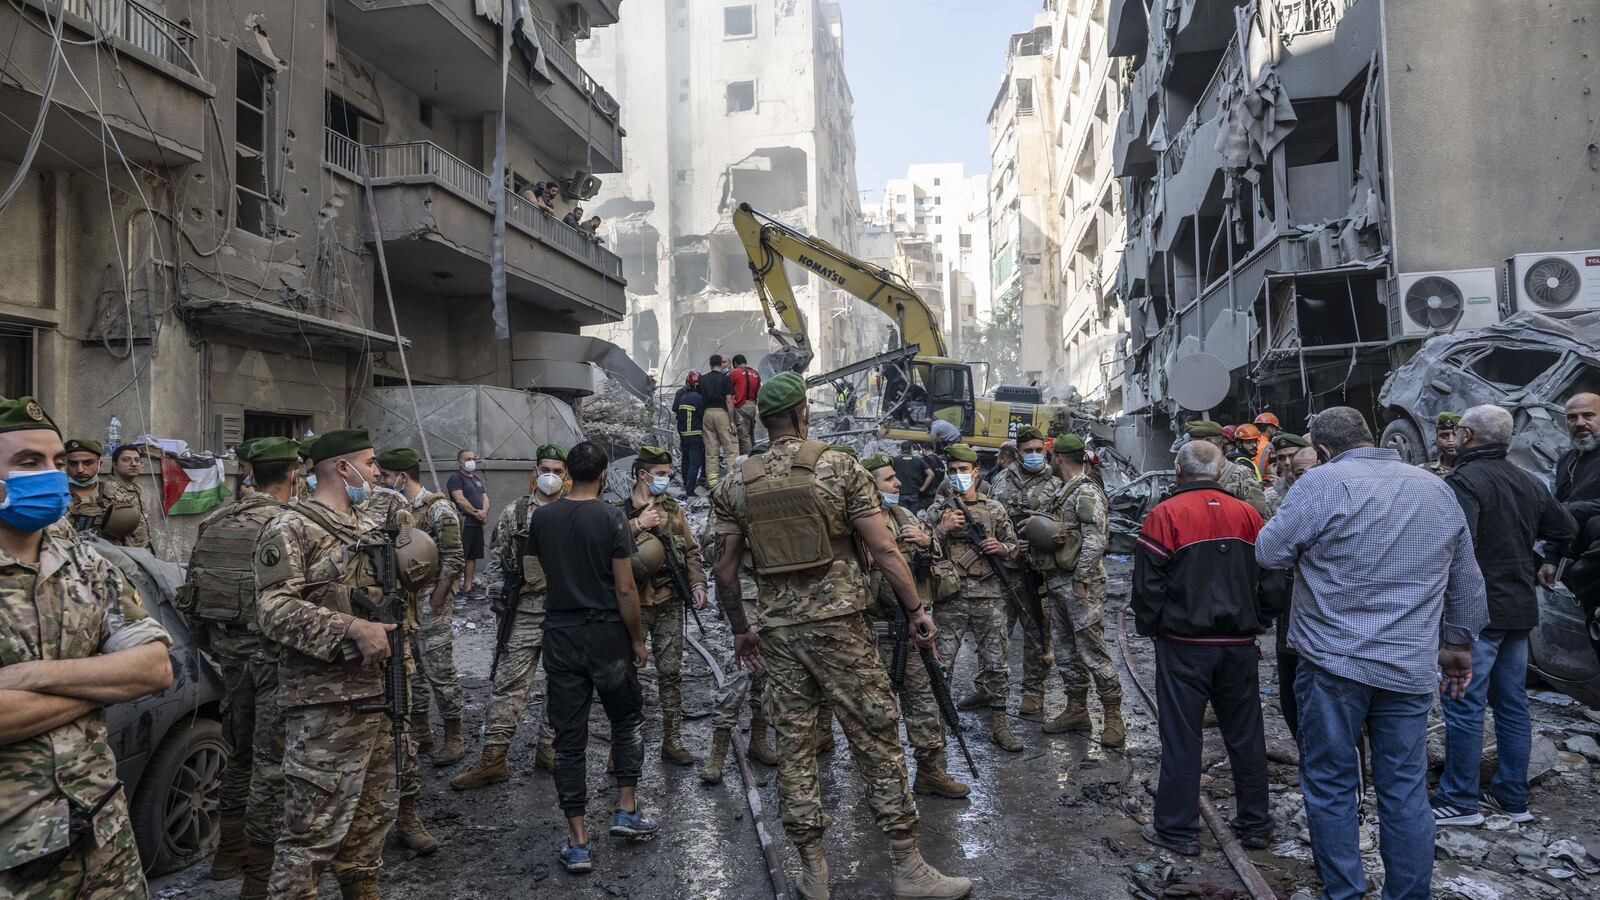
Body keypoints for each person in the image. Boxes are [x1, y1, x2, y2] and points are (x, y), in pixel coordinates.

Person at [710, 371, 970, 899]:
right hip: (840, 630)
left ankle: (812, 870)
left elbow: (724, 571)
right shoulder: (839, 466)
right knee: (876, 734)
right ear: (805, 413)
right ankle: (908, 867)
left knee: (796, 746)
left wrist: (741, 629)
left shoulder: (735, 481)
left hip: (778, 634)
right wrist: (917, 610)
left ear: (762, 420)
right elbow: (885, 550)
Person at [1256, 407, 1487, 900]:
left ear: (1320, 450)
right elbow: (1466, 577)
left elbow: (1269, 552)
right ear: (1371, 436)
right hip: (1408, 666)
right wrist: (1458, 646)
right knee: (1404, 791)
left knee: (1331, 783)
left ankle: (1344, 892)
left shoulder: (1319, 484)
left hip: (1332, 665)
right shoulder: (1434, 487)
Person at [0, 396, 174, 899]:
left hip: (103, 839)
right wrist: (107, 681)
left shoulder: (85, 563)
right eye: (29, 463)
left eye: (57, 462)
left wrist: (33, 676)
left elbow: (155, 668)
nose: (54, 476)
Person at [252, 428, 403, 898]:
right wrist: (350, 628)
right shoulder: (290, 527)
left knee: (370, 823)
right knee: (310, 838)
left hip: (377, 695)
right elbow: (271, 609)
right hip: (325, 706)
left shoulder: (367, 526)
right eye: (372, 463)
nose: (377, 473)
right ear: (343, 467)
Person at [1134, 440, 1285, 857]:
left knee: (1183, 738)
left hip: (1184, 645)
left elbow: (1147, 587)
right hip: (1238, 645)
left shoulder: (1165, 514)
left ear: (1178, 474)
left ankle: (1178, 830)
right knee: (1247, 734)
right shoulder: (1249, 514)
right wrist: (1262, 618)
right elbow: (1273, 579)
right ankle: (1255, 824)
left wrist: (1152, 628)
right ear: (1220, 474)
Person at [1432, 406, 1576, 827]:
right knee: (1512, 704)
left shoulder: (1463, 481)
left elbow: (1461, 548)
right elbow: (1565, 528)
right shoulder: (1527, 481)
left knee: (1463, 703)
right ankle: (1512, 797)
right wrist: (1540, 560)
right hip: (1518, 610)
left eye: (1458, 432)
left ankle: (1459, 799)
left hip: (1478, 613)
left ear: (1468, 435)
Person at [527, 441, 656, 873]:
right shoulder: (611, 517)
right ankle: (625, 809)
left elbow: (543, 572)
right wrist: (637, 640)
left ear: (567, 475)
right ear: (604, 475)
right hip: (605, 635)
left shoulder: (542, 517)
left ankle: (578, 840)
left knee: (569, 738)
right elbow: (625, 588)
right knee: (626, 719)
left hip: (560, 634)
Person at [178, 437, 299, 893]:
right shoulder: (289, 524)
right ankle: (258, 875)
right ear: (292, 474)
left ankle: (228, 854)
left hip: (230, 654)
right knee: (271, 762)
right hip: (274, 659)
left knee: (238, 752)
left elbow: (193, 595)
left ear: (251, 474)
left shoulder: (214, 521)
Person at [454, 444, 569, 789]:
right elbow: (500, 557)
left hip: (563, 614)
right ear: (535, 470)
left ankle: (549, 748)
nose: (551, 475)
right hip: (523, 613)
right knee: (507, 687)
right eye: (545, 468)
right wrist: (497, 599)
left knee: (562, 687)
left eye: (558, 470)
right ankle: (494, 758)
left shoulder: (573, 512)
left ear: (567, 475)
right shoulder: (516, 513)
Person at [859, 454, 969, 798]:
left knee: (925, 701)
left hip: (914, 627)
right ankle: (882, 779)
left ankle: (929, 771)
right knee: (875, 711)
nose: (898, 484)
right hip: (877, 631)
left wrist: (928, 541)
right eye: (889, 479)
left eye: (896, 478)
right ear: (869, 487)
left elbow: (935, 555)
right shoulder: (859, 524)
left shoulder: (904, 514)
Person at [924, 443, 1024, 752]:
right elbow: (917, 551)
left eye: (963, 471)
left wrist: (1002, 548)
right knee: (942, 665)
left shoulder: (993, 508)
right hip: (950, 599)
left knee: (996, 664)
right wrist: (940, 530)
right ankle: (938, 727)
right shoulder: (936, 511)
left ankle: (1000, 724)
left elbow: (1016, 546)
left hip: (989, 598)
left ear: (975, 473)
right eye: (952, 471)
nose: (957, 476)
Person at [1032, 434, 1124, 746]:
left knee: (1093, 651)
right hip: (1058, 581)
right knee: (1065, 651)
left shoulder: (1086, 491)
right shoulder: (1062, 491)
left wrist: (1082, 579)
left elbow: (1096, 539)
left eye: (1051, 456)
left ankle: (1113, 716)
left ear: (1058, 458)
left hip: (1079, 584)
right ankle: (1076, 709)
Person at [379, 449, 467, 774]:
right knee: (410, 667)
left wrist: (437, 599)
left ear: (403, 476)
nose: (383, 483)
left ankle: (454, 734)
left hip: (430, 598)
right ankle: (420, 729)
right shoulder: (394, 508)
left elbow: (454, 557)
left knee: (439, 668)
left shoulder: (438, 509)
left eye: (387, 477)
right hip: (404, 602)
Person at [621, 446, 708, 767]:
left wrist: (698, 584)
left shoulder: (673, 509)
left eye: (668, 474)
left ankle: (672, 740)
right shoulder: (620, 510)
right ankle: (626, 743)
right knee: (626, 675)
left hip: (670, 603)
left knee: (671, 674)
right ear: (643, 475)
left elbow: (692, 551)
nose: (665, 480)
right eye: (660, 475)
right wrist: (637, 526)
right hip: (634, 607)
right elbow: (605, 548)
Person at [987, 427, 1057, 718]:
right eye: (1028, 451)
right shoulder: (1001, 480)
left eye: (1038, 450)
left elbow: (1063, 526)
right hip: (1005, 569)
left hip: (1037, 570)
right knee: (995, 631)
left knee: (1037, 632)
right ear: (1017, 452)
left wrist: (1041, 535)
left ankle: (1033, 691)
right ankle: (990, 688)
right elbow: (989, 515)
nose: (1034, 455)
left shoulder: (1055, 483)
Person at [1273, 445, 1320, 742]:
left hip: (1332, 624)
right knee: (1292, 690)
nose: (1307, 478)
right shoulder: (1285, 502)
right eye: (1300, 472)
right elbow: (1267, 554)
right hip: (1291, 608)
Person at [1549, 393, 1600, 662]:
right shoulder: (1566, 460)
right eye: (1572, 418)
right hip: (1584, 569)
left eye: (1588, 415)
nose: (1580, 423)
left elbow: (1565, 510)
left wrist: (1572, 509)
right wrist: (1551, 558)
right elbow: (1558, 517)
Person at [1184, 420, 1271, 519]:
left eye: (1192, 442)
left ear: (1208, 441)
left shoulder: (1241, 474)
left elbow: (1258, 517)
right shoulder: (1187, 474)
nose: (1188, 447)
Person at [448, 449, 490, 599]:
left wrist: (484, 512)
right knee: (460, 557)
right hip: (464, 523)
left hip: (477, 524)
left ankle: (468, 588)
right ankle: (455, 590)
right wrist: (476, 513)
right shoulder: (456, 478)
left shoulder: (477, 479)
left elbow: (485, 498)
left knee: (472, 557)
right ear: (459, 462)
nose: (471, 461)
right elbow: (459, 499)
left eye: (473, 458)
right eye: (467, 459)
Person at [100, 443, 153, 549]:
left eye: (137, 460)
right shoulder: (107, 490)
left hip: (143, 552)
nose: (133, 464)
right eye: (126, 460)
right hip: (124, 554)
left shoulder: (137, 489)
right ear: (114, 464)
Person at [699, 355, 738, 488]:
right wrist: (732, 421)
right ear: (721, 364)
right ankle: (732, 481)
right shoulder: (725, 379)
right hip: (722, 414)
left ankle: (712, 483)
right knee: (730, 448)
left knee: (711, 450)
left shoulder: (702, 379)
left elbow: (700, 399)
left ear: (710, 364)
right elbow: (729, 400)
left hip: (707, 414)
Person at [674, 371, 708, 494]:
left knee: (686, 460)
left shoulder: (682, 397)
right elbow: (703, 414)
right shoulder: (698, 398)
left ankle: (685, 483)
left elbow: (677, 413)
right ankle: (690, 490)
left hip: (684, 435)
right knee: (695, 464)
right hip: (695, 435)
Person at [1262, 433, 1310, 514]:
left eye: (1292, 456)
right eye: (1281, 458)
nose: (1287, 462)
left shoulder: (1321, 487)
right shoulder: (1269, 497)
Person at [729, 353, 763, 455]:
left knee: (744, 437)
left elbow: (727, 390)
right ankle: (754, 456)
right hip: (752, 405)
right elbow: (759, 390)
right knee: (751, 434)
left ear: (735, 363)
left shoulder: (734, 373)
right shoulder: (756, 373)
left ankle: (747, 461)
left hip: (740, 406)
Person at [891, 441, 936, 515]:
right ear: (911, 449)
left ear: (901, 449)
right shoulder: (918, 460)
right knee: (913, 518)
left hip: (900, 493)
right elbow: (931, 474)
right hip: (914, 493)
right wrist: (922, 489)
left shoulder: (894, 460)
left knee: (902, 517)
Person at [1424, 411, 1461, 476]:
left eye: (1456, 435)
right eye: (1444, 436)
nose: (1451, 441)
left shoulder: (1475, 470)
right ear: (1437, 439)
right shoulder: (1424, 471)